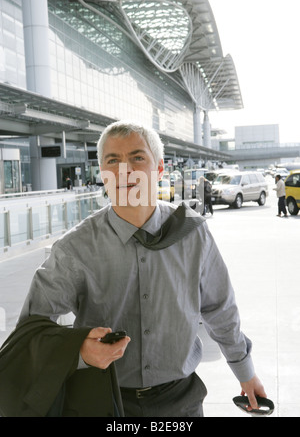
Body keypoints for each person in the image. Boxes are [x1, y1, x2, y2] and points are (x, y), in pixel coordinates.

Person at [18, 121, 266, 417]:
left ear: (160, 169)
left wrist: (245, 372)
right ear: (102, 174)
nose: (125, 170)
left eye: (137, 157)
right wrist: (78, 353)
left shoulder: (192, 233)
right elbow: (30, 331)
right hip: (101, 402)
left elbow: (219, 308)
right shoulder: (75, 249)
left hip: (181, 404)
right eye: (113, 160)